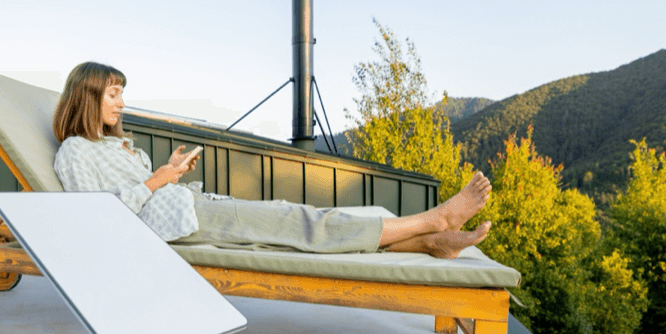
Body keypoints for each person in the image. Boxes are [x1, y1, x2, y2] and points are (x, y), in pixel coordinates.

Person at [52, 62, 492, 258]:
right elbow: (97, 217)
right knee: (299, 222)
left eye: (122, 94)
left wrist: (169, 173)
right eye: (113, 95)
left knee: (291, 218)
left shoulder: (114, 146)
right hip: (180, 222)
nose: (122, 104)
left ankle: (426, 243)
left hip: (189, 206)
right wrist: (157, 181)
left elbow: (141, 192)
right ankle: (432, 221)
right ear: (88, 97)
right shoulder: (75, 151)